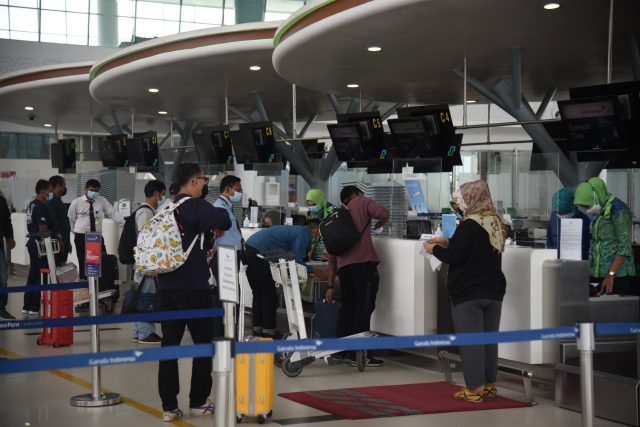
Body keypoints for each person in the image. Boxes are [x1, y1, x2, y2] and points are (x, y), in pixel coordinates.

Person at [156, 163, 231, 422]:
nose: (205, 184)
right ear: (195, 182)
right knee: (202, 344)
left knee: (169, 346)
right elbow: (224, 220)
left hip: (166, 285)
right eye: (204, 179)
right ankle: (198, 401)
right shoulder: (195, 205)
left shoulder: (167, 207)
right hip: (194, 287)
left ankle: (169, 406)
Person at [424, 180, 507, 403]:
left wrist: (434, 249)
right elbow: (475, 248)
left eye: (461, 199)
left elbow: (456, 257)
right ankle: (489, 384)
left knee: (471, 343)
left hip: (468, 293)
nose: (458, 204)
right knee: (489, 340)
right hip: (494, 291)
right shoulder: (495, 221)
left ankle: (474, 389)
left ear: (472, 198)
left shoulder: (469, 224)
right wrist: (448, 241)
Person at [325, 185, 389, 367]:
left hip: (344, 269)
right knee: (363, 308)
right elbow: (383, 212)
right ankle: (360, 354)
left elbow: (331, 255)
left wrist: (330, 285)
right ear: (356, 194)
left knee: (348, 308)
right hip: (363, 266)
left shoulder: (335, 216)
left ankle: (342, 352)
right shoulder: (362, 201)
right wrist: (379, 224)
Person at [244, 219, 319, 338]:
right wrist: (314, 270)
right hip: (259, 253)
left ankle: (257, 330)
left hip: (248, 249)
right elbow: (296, 262)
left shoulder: (295, 231)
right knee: (268, 293)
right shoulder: (303, 233)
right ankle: (268, 331)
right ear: (314, 230)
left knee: (258, 293)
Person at [574, 177, 636, 295]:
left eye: (587, 206)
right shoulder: (599, 211)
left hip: (617, 276)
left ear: (596, 196)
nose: (586, 210)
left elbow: (624, 246)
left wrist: (611, 275)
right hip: (598, 273)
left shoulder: (619, 210)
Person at [131, 180, 166, 345]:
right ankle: (145, 333)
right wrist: (150, 265)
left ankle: (138, 332)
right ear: (156, 193)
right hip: (146, 263)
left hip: (145, 261)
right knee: (147, 297)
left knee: (142, 295)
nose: (162, 198)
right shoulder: (145, 212)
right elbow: (144, 238)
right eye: (162, 195)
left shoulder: (148, 211)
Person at [68, 179, 124, 279]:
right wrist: (76, 233)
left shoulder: (102, 201)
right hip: (81, 237)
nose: (94, 193)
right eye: (91, 190)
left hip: (96, 236)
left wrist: (125, 222)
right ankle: (85, 284)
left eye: (96, 191)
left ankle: (99, 285)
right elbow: (71, 219)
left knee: (101, 261)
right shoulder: (77, 202)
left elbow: (112, 213)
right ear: (85, 189)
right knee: (83, 262)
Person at [23, 180, 53, 315]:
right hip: (39, 244)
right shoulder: (41, 206)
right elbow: (42, 229)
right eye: (49, 190)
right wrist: (46, 246)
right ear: (43, 191)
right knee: (40, 275)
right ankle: (34, 306)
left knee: (33, 274)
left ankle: (27, 305)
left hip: (32, 243)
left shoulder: (31, 204)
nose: (50, 193)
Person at [211, 175, 243, 284]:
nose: (240, 192)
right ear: (228, 189)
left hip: (230, 252)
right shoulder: (219, 207)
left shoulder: (227, 206)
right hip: (225, 254)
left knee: (232, 288)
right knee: (228, 289)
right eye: (238, 190)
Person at [546, 187, 590, 260]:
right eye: (558, 213)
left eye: (563, 213)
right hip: (556, 260)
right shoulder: (554, 217)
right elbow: (550, 240)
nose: (560, 215)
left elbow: (584, 248)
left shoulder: (583, 220)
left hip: (576, 261)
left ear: (572, 207)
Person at [47, 175, 71, 266]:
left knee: (62, 267)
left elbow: (63, 222)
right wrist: (59, 239)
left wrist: (68, 242)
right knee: (56, 267)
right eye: (64, 185)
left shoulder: (58, 200)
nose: (65, 188)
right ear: (58, 186)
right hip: (57, 243)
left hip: (64, 241)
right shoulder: (51, 201)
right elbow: (53, 223)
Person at [0, 193, 16, 319]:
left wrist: (9, 236)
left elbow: (6, 221)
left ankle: (1, 308)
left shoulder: (1, 201)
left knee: (3, 278)